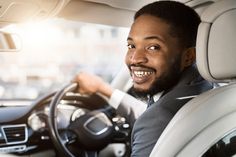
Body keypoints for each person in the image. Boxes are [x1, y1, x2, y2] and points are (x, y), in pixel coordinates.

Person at [73, 1, 213, 156]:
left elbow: (154, 118)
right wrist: (103, 89)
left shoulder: (159, 120)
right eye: (131, 46)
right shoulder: (202, 87)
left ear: (188, 56)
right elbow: (149, 114)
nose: (135, 59)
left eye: (153, 47)